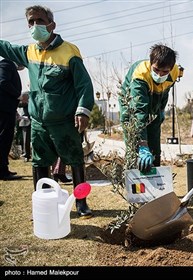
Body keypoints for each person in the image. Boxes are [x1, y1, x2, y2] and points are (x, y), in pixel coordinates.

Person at [0, 5, 94, 218]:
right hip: (39, 123)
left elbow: (84, 85)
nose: (35, 26)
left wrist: (83, 111)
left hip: (64, 122)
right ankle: (44, 206)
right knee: (40, 162)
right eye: (31, 22)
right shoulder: (29, 52)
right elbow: (4, 47)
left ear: (52, 24)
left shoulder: (69, 51)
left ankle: (81, 203)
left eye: (39, 21)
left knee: (75, 159)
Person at [119, 43, 180, 173]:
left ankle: (155, 182)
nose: (160, 74)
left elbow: (165, 92)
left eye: (165, 71)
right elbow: (139, 111)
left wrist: (162, 109)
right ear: (151, 63)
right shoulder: (140, 76)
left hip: (154, 105)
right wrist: (142, 145)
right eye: (156, 69)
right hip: (131, 106)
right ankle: (135, 185)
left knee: (154, 147)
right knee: (135, 147)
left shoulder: (174, 72)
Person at [0, 59, 24, 180]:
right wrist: (18, 95)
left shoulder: (8, 65)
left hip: (7, 109)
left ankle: (4, 168)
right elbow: (3, 81)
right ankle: (2, 171)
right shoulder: (6, 64)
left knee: (6, 138)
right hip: (4, 109)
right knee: (4, 139)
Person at [17, 91, 31, 162]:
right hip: (25, 120)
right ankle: (26, 155)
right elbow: (19, 104)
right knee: (26, 139)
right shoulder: (25, 93)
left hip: (35, 119)